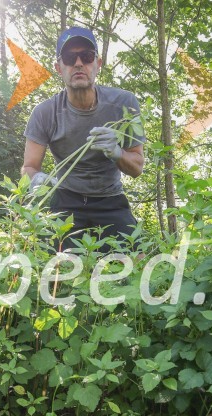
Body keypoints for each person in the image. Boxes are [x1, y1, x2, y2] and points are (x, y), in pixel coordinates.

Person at [21, 26, 145, 250]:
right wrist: (37, 179)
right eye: (69, 57)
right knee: (52, 266)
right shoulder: (44, 113)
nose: (78, 63)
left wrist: (117, 152)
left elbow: (136, 168)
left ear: (97, 63)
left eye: (86, 56)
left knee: (133, 261)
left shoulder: (124, 104)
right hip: (66, 200)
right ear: (59, 68)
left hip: (110, 200)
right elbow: (28, 167)